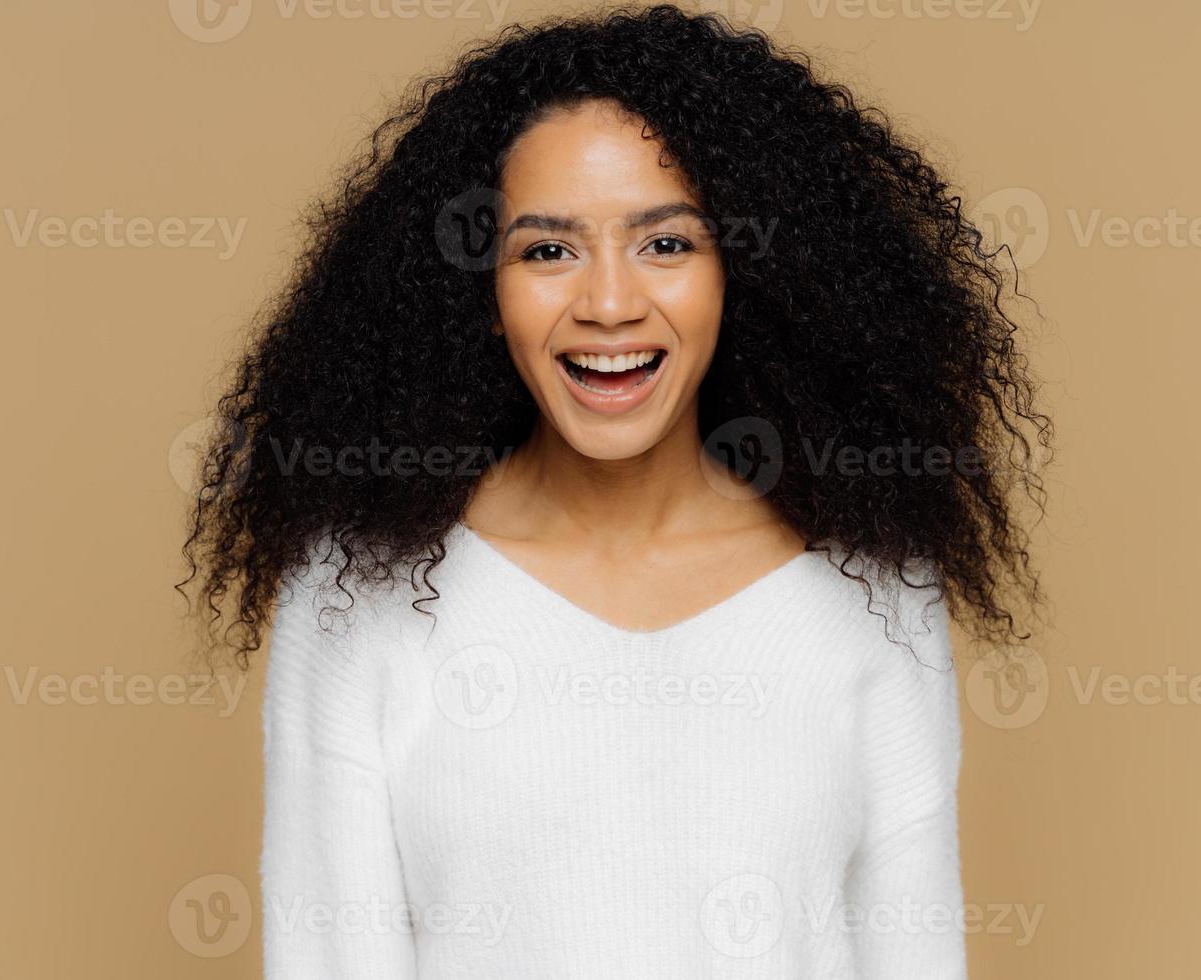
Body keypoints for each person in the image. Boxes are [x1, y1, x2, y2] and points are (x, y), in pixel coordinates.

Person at [181, 6, 1049, 977]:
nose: (607, 303)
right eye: (547, 249)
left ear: (745, 268)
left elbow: (915, 949)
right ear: (480, 283)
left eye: (666, 243)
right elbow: (329, 955)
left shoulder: (875, 591)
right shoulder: (358, 599)